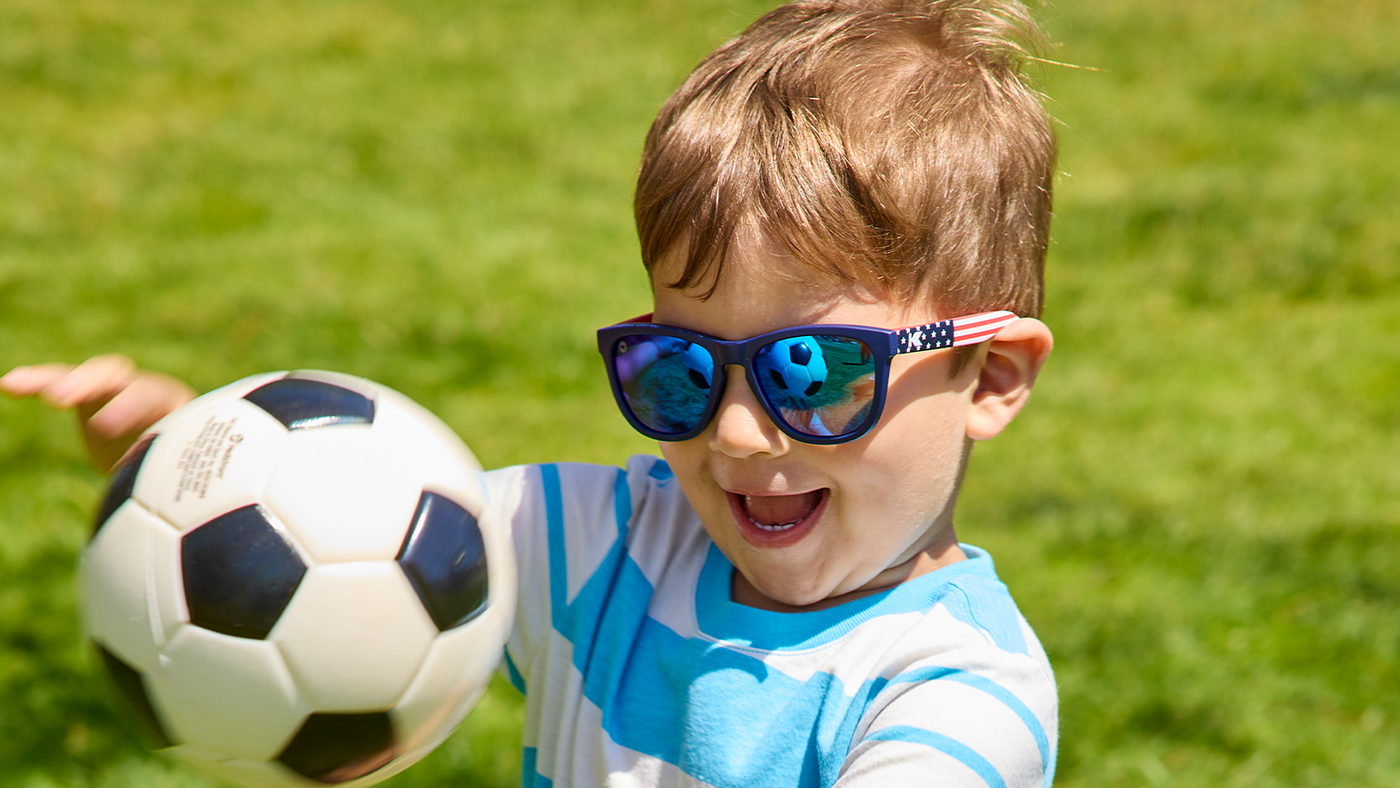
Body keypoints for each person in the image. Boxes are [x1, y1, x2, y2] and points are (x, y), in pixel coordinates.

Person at [2, 0, 1060, 785]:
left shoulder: (959, 692)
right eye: (679, 371)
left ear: (991, 374)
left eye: (812, 373)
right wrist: (196, 458)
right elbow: (336, 534)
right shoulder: (602, 548)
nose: (737, 434)